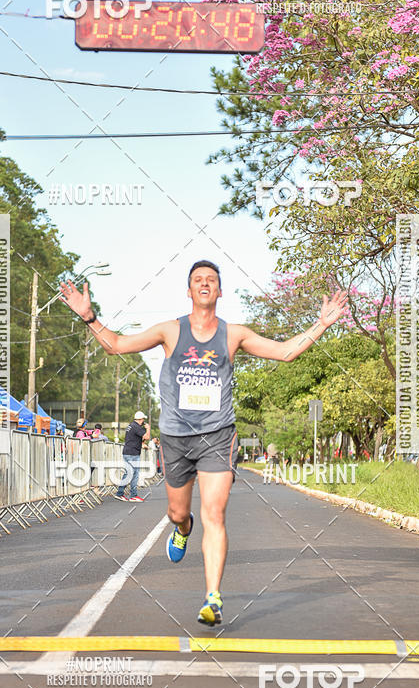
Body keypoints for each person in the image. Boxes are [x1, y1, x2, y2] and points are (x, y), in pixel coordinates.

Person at [60, 260, 347, 626]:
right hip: (176, 438)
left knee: (216, 514)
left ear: (220, 291)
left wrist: (320, 324)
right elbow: (116, 345)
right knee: (178, 513)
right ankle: (182, 529)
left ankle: (213, 597)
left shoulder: (234, 335)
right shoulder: (170, 331)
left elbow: (285, 352)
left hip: (217, 435)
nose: (205, 284)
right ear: (190, 291)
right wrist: (89, 318)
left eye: (212, 279)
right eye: (198, 280)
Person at [114, 411, 150, 502]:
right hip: (133, 453)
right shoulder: (137, 427)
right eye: (143, 420)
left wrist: (142, 443)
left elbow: (136, 438)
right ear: (141, 419)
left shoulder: (131, 426)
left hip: (127, 451)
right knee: (135, 474)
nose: (143, 421)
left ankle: (120, 493)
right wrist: (148, 428)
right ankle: (133, 495)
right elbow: (147, 436)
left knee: (128, 473)